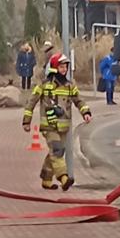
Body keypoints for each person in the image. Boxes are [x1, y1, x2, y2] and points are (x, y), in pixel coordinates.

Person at [23, 53, 92, 190]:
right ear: (55, 68)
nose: (64, 69)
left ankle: (46, 179)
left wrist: (86, 112)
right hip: (49, 125)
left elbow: (78, 100)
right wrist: (26, 121)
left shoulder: (69, 85)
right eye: (61, 67)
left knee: (55, 153)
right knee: (57, 150)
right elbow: (31, 102)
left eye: (65, 66)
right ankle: (63, 178)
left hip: (63, 126)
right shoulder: (44, 85)